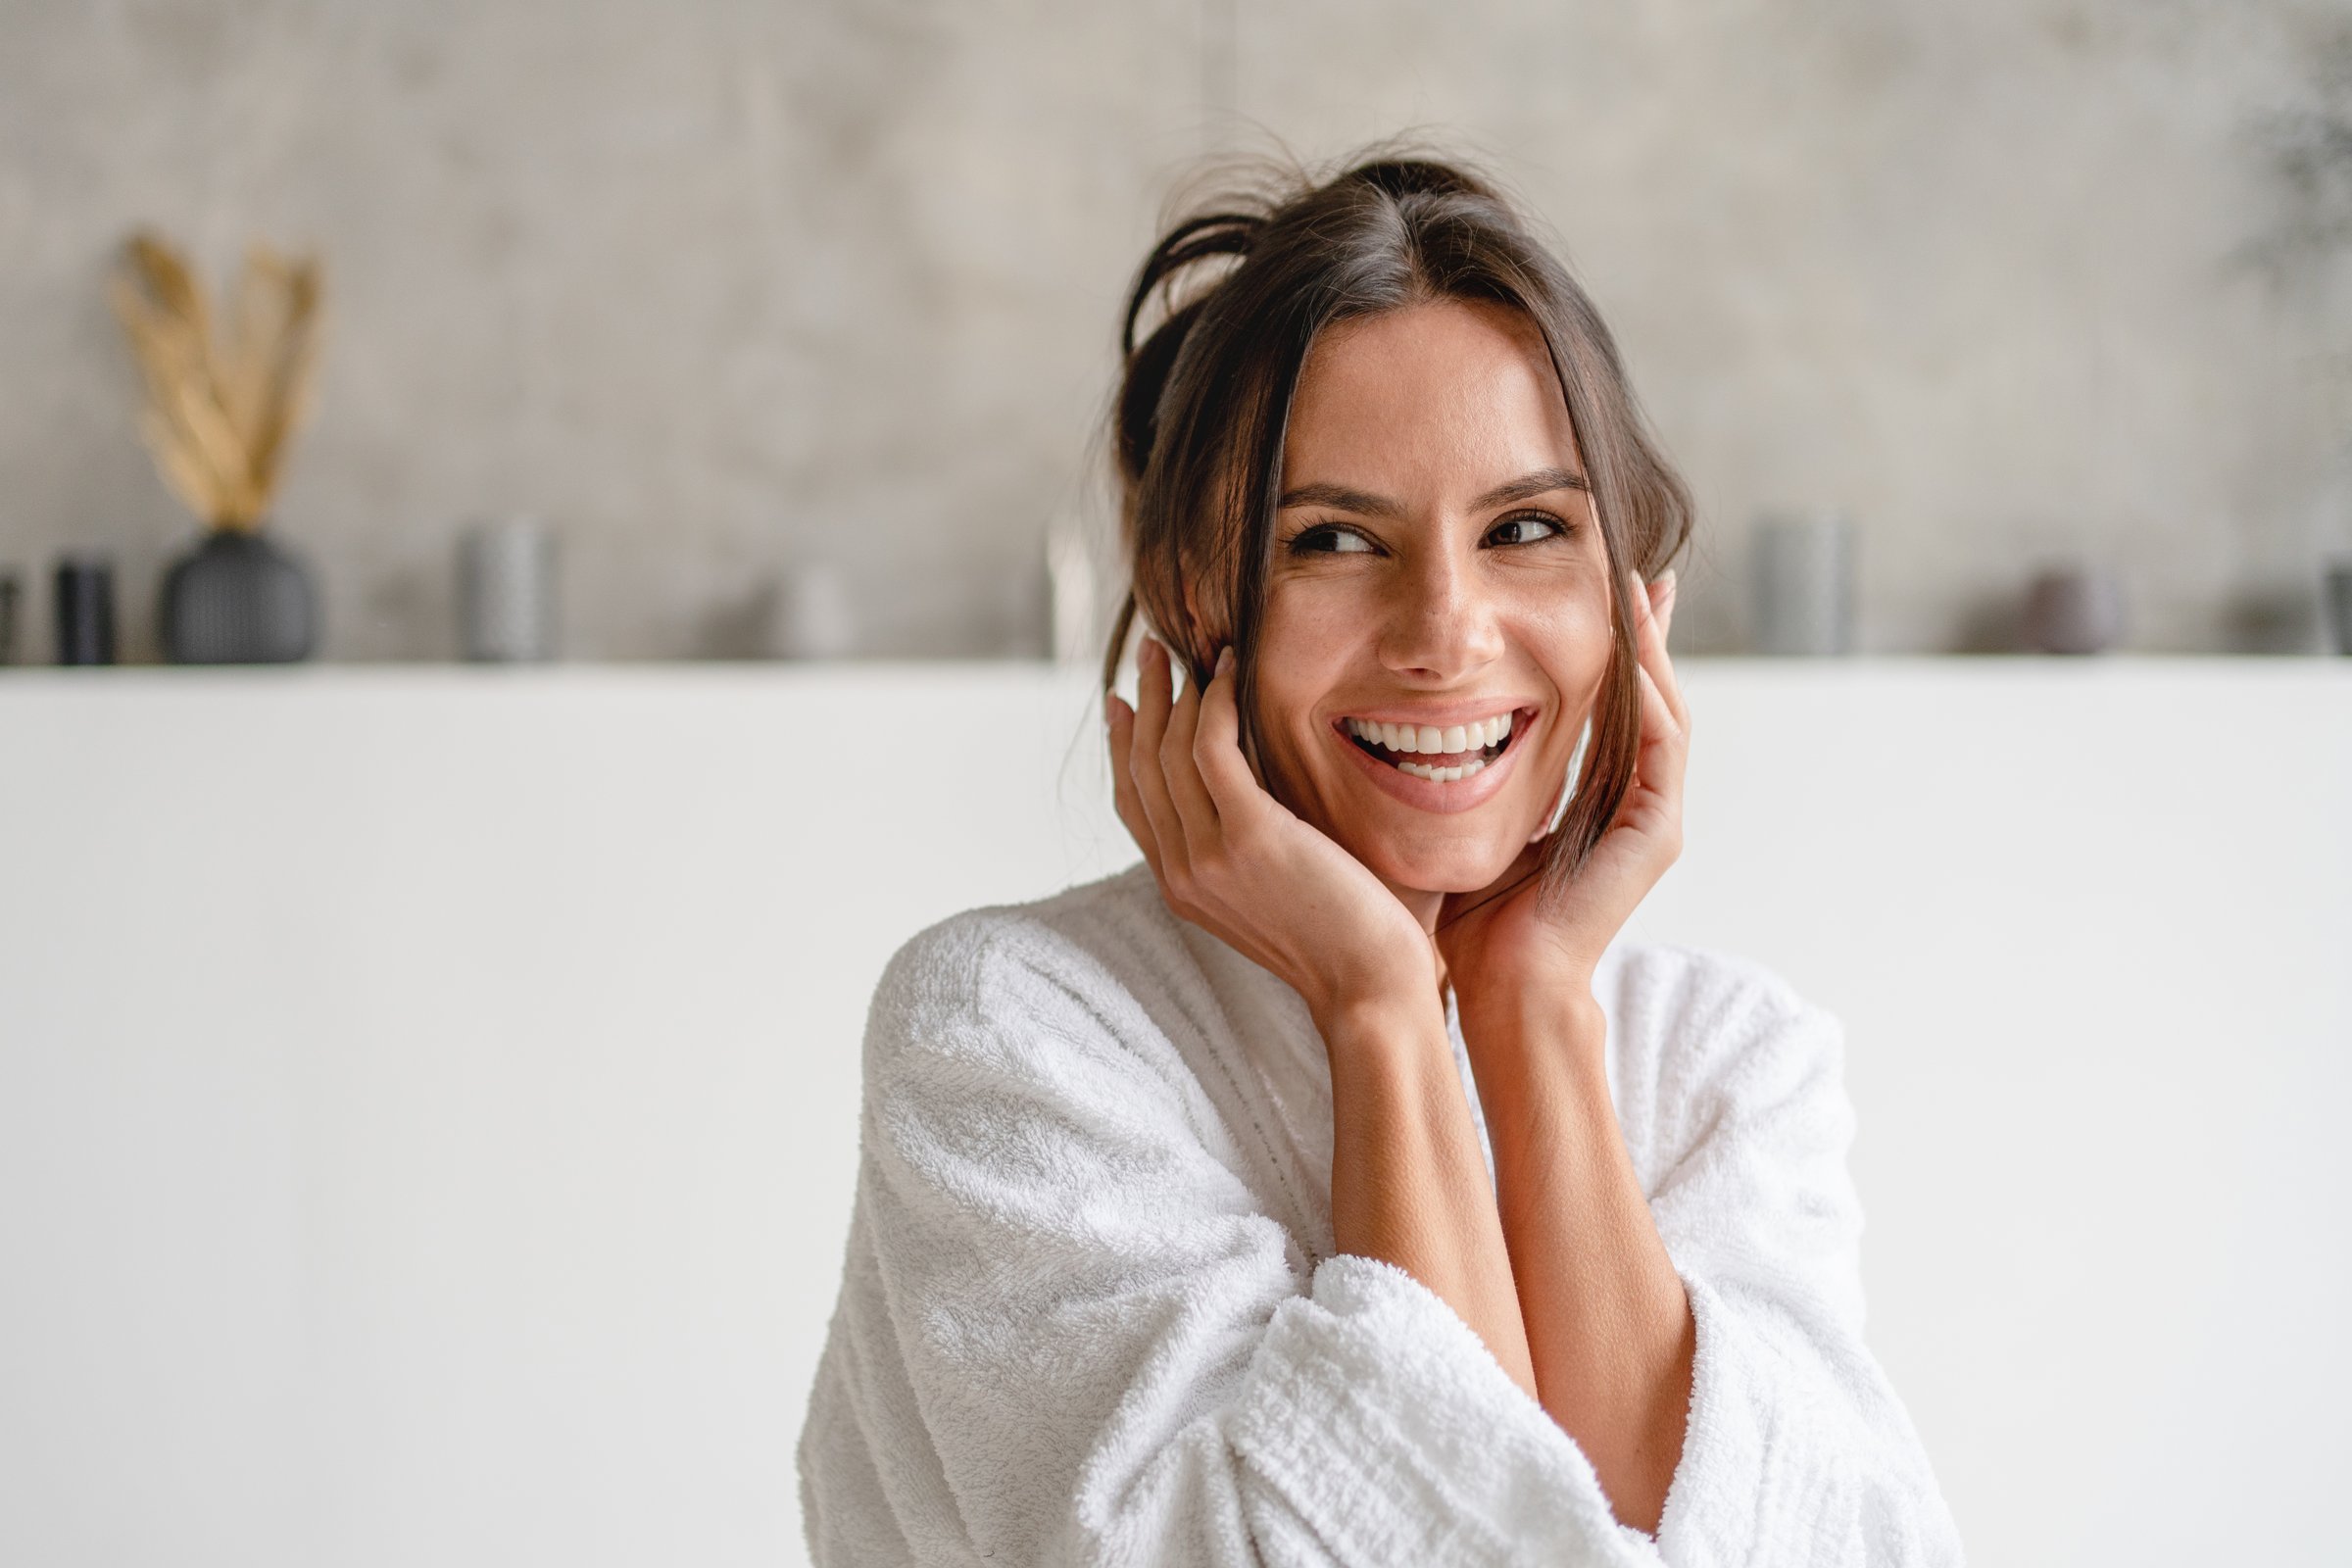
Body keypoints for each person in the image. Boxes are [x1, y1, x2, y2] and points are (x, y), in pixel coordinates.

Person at [797, 150, 1963, 1566]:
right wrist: (1381, 1005)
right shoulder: (1014, 1031)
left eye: (1527, 529)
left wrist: (1530, 1002)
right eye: (1334, 539)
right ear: (1190, 600)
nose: (1446, 632)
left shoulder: (1726, 1061)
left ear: (1628, 609)